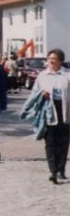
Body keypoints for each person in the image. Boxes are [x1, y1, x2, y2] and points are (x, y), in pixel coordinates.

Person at [21, 49, 70, 183]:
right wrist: (41, 95)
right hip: (48, 111)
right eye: (49, 59)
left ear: (60, 61)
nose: (51, 61)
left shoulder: (67, 75)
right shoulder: (43, 75)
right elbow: (35, 93)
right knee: (50, 142)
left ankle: (61, 168)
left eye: (54, 59)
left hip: (65, 111)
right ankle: (53, 171)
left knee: (63, 142)